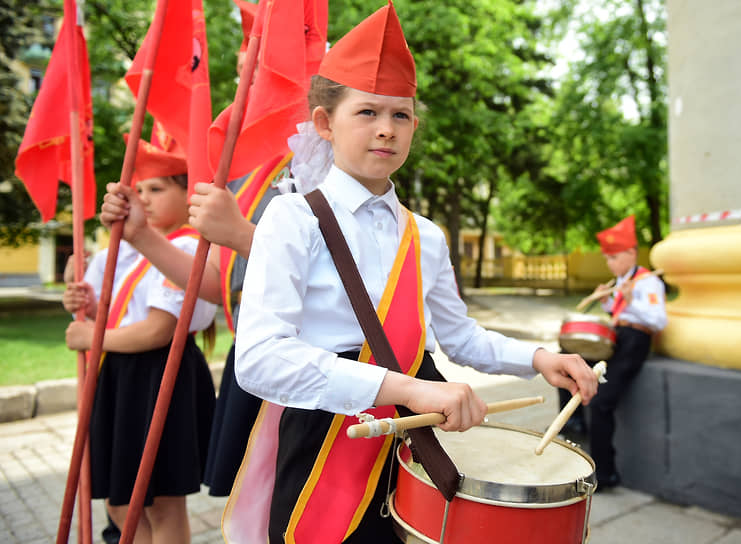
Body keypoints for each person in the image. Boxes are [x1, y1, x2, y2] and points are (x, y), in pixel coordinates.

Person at [231, 3, 599, 542]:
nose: (386, 130)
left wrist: (540, 358)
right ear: (323, 123)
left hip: (420, 436)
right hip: (331, 433)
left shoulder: (425, 234)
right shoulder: (292, 218)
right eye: (367, 113)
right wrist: (406, 387)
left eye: (400, 115)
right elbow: (260, 359)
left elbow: (458, 335)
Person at [99, 2, 330, 500]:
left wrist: (246, 236)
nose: (248, 76)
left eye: (262, 64)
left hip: (325, 372)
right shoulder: (248, 169)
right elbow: (227, 287)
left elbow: (345, 281)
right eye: (249, 63)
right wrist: (142, 235)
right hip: (259, 363)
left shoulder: (334, 161)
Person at [63, 139, 217, 544]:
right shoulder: (125, 248)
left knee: (160, 501)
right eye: (140, 189)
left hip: (159, 373)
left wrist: (89, 337)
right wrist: (85, 305)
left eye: (158, 188)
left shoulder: (185, 247)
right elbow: (113, 312)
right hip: (118, 373)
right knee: (119, 500)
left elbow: (157, 331)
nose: (144, 199)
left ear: (188, 194)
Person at [560, 215, 667, 491]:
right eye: (608, 259)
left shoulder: (647, 282)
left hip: (635, 341)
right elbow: (618, 314)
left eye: (615, 257)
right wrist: (608, 301)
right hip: (618, 337)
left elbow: (657, 320)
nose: (611, 263)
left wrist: (632, 300)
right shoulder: (621, 279)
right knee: (566, 360)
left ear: (632, 253)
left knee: (601, 403)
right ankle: (573, 422)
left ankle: (605, 474)